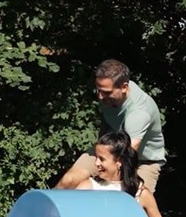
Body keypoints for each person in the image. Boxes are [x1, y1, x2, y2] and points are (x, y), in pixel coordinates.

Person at [56, 60, 166, 193]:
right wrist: (99, 153)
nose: (100, 96)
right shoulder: (109, 94)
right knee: (69, 181)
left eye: (106, 92)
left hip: (142, 160)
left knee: (132, 199)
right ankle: (43, 204)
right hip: (108, 149)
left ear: (124, 87)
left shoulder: (139, 113)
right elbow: (106, 121)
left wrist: (107, 177)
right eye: (99, 90)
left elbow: (128, 153)